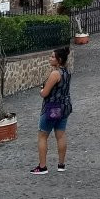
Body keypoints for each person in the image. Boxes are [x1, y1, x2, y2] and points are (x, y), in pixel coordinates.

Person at [31, 46, 71, 175]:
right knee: (61, 135)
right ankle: (61, 164)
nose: (50, 58)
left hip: (52, 108)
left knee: (43, 136)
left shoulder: (55, 74)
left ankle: (42, 167)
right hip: (64, 107)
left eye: (52, 57)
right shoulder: (67, 72)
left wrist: (41, 91)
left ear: (59, 59)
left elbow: (45, 93)